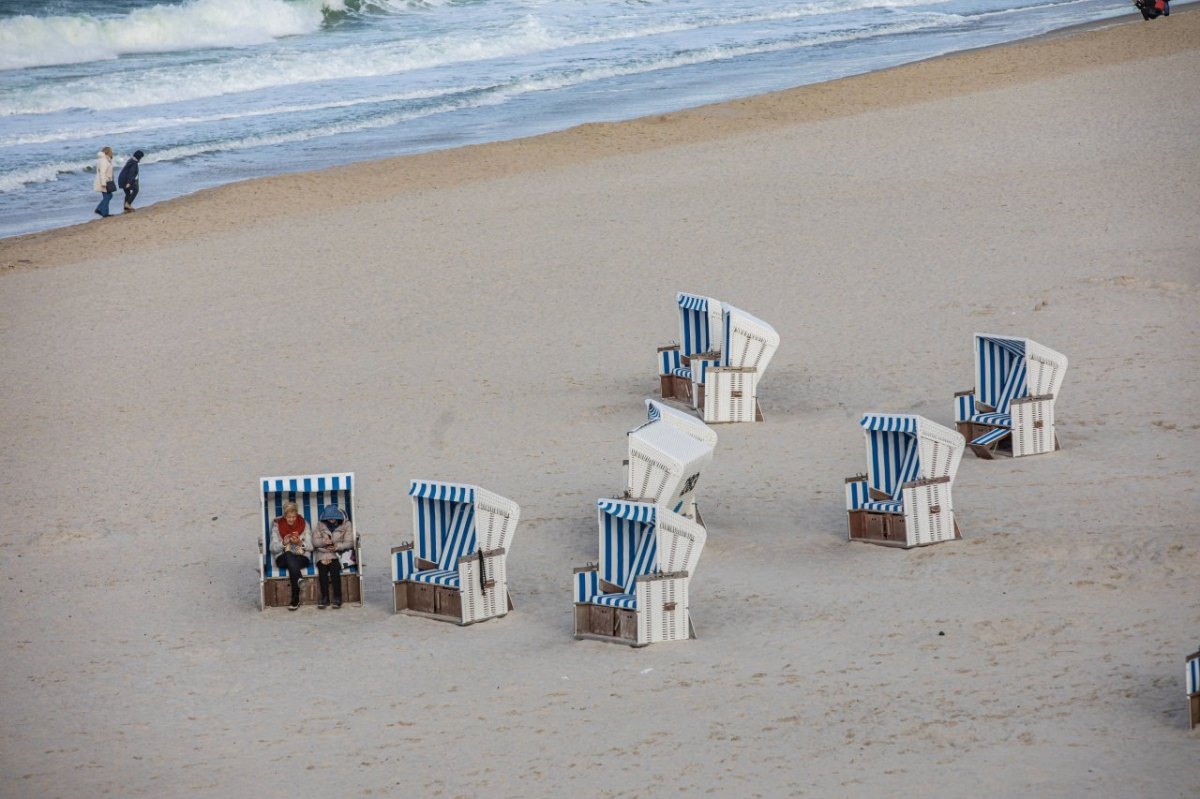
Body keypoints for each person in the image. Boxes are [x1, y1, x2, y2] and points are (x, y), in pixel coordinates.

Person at [270, 501, 312, 610]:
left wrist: (300, 543)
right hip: (282, 558)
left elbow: (311, 547)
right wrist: (283, 543)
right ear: (285, 516)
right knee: (288, 554)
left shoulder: (304, 524)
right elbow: (272, 548)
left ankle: (295, 600)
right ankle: (299, 581)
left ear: (297, 514)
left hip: (301, 557)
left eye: (294, 516)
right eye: (289, 517)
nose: (292, 519)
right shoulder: (277, 526)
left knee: (293, 566)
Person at [312, 504, 354, 609]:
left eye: (333, 516)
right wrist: (323, 541)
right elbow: (314, 542)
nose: (331, 519)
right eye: (328, 517)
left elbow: (349, 543)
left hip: (338, 554)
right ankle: (325, 598)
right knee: (322, 570)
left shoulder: (346, 524)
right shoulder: (320, 525)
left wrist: (337, 546)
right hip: (322, 553)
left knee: (334, 569)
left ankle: (337, 597)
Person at [93, 147, 114, 218]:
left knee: (107, 196)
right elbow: (102, 172)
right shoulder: (104, 161)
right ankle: (100, 210)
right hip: (104, 181)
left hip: (104, 180)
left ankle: (104, 212)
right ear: (108, 152)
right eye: (111, 151)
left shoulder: (103, 159)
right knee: (108, 196)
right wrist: (103, 183)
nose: (112, 153)